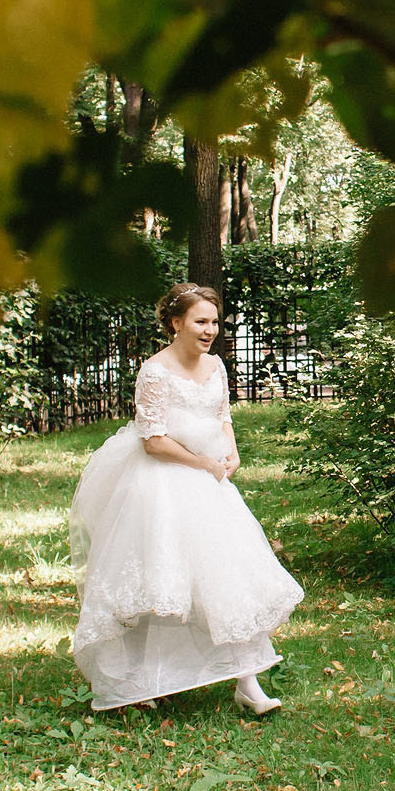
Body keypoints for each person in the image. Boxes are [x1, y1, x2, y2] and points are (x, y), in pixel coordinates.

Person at [68, 283, 302, 714]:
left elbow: (222, 416)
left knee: (227, 578)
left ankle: (247, 682)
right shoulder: (155, 372)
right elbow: (152, 441)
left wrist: (230, 453)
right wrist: (203, 463)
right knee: (159, 586)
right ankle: (141, 681)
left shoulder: (216, 366)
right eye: (201, 321)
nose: (210, 329)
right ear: (176, 323)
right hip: (163, 486)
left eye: (214, 321)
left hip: (211, 484)